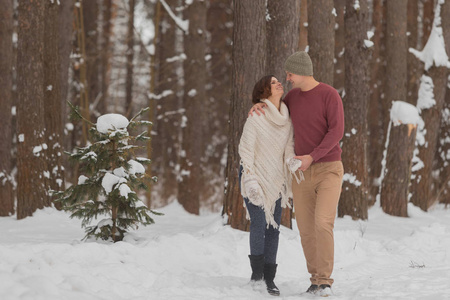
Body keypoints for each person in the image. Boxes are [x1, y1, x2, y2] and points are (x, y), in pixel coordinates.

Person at [249, 51, 344, 297]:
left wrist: (313, 156)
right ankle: (315, 281)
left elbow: (336, 131)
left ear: (302, 71)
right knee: (306, 229)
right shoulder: (291, 98)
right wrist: (259, 105)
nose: (287, 78)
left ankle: (325, 281)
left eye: (290, 73)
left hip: (328, 169)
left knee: (323, 223)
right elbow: (275, 111)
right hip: (300, 175)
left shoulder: (329, 95)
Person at [239, 75, 303, 297]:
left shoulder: (287, 118)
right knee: (258, 223)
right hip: (253, 175)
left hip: (276, 178)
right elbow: (245, 150)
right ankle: (257, 277)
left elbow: (288, 146)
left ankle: (270, 279)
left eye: (279, 81)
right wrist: (250, 179)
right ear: (263, 92)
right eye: (273, 83)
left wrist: (291, 161)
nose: (278, 84)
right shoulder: (256, 117)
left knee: (273, 227)